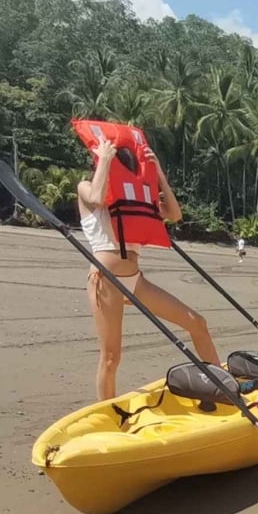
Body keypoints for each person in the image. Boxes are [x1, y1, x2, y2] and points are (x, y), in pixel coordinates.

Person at [78, 135, 219, 401]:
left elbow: (174, 215)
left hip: (135, 281)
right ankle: (109, 415)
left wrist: (160, 177)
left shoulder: (135, 197)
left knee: (197, 323)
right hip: (105, 280)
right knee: (111, 357)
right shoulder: (86, 186)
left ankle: (222, 388)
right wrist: (105, 159)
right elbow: (97, 198)